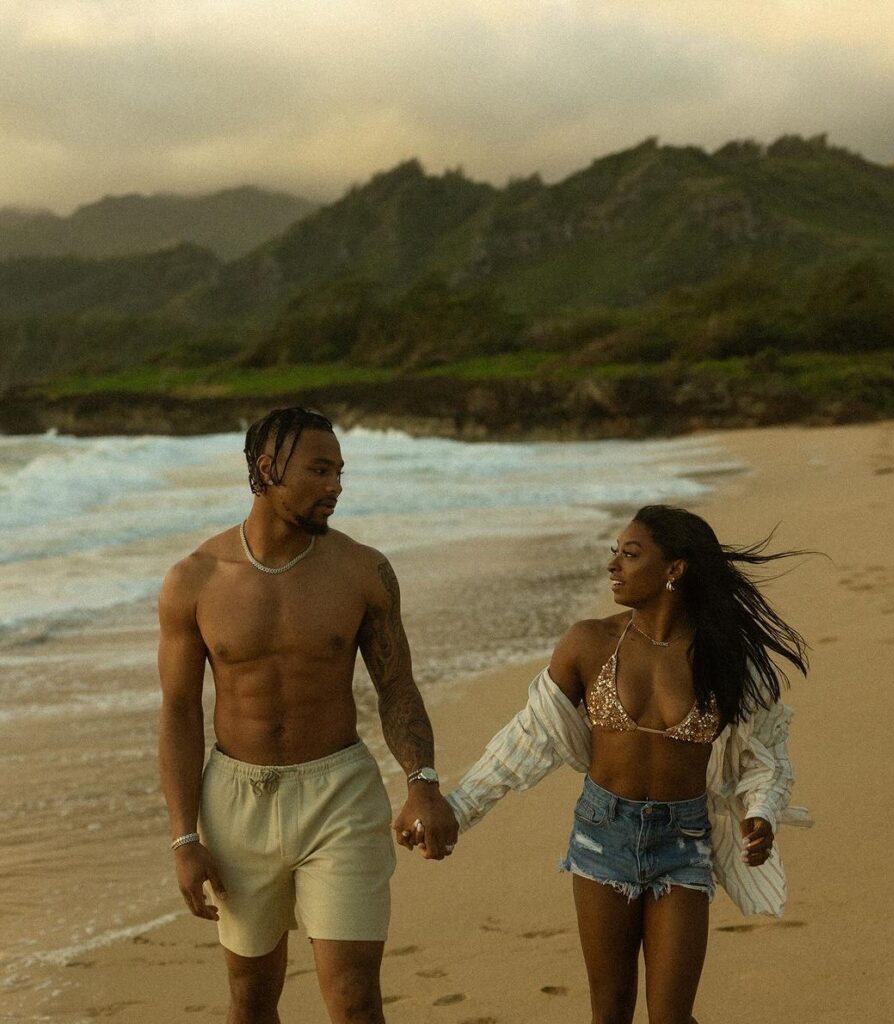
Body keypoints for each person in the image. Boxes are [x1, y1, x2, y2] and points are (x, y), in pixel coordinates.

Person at [443, 504, 812, 1024]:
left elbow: (763, 754)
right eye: (614, 552)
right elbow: (527, 734)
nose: (614, 565)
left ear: (674, 570)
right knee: (610, 1012)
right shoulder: (589, 643)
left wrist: (763, 811)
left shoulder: (725, 657)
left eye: (631, 554)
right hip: (602, 837)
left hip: (683, 842)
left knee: (671, 1018)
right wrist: (457, 809)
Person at [158, 407, 459, 1024]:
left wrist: (423, 782)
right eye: (320, 470)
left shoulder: (363, 571)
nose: (336, 486)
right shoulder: (195, 579)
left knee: (354, 998)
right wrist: (185, 837)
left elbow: (396, 686)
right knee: (251, 998)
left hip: (339, 795)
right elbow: (182, 712)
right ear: (267, 470)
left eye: (340, 471)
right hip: (237, 800)